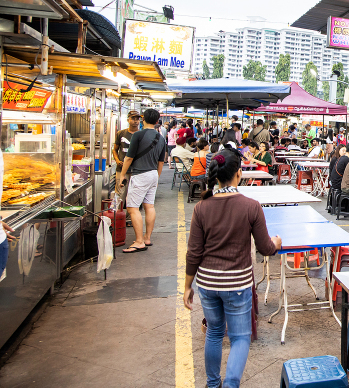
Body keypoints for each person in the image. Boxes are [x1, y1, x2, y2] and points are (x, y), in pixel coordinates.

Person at [184, 148, 282, 388]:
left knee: (215, 333)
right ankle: (230, 385)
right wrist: (277, 243)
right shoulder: (251, 206)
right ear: (239, 174)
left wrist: (188, 286)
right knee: (240, 338)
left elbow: (193, 252)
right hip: (237, 284)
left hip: (207, 284)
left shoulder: (201, 208)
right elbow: (265, 248)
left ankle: (213, 383)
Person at [117, 108, 166, 253]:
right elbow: (161, 162)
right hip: (152, 174)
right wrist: (156, 177)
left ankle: (139, 241)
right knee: (149, 206)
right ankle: (147, 238)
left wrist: (122, 175)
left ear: (143, 119)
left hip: (140, 174)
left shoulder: (138, 135)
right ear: (157, 121)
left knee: (132, 208)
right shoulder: (161, 138)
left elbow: (129, 158)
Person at [113, 110, 141, 202]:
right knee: (119, 195)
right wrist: (117, 160)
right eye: (133, 119)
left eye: (137, 119)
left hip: (136, 170)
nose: (136, 121)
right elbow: (115, 150)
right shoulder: (121, 133)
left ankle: (130, 216)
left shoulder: (141, 135)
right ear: (128, 120)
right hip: (121, 170)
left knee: (133, 197)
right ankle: (117, 214)